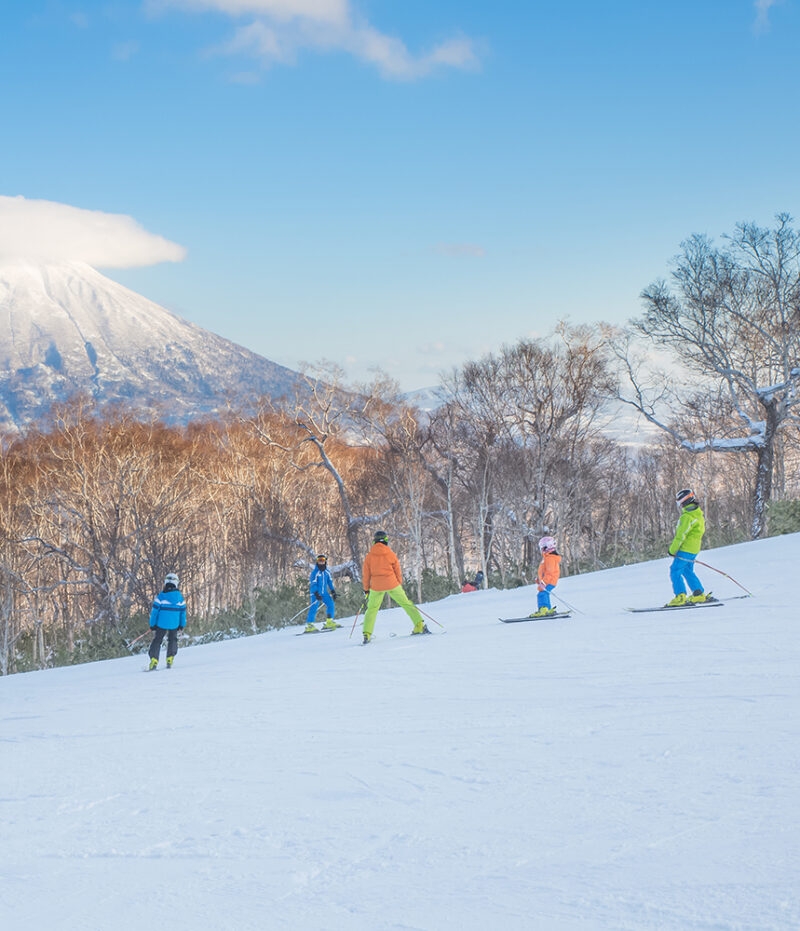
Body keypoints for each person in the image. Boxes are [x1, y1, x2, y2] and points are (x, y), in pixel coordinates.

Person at [361, 530, 427, 644]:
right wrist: (398, 583)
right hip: (392, 583)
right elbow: (397, 569)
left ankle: (367, 633)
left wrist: (366, 589)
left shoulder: (369, 556)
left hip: (376, 586)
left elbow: (366, 575)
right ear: (386, 541)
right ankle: (419, 625)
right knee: (406, 604)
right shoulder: (390, 553)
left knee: (371, 609)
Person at [666, 488, 709, 606]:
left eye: (679, 502)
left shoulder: (687, 517)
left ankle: (680, 596)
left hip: (685, 549)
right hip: (694, 548)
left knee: (675, 570)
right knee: (687, 570)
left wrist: (672, 550)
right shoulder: (698, 514)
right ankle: (698, 593)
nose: (679, 505)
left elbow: (680, 536)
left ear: (684, 502)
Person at [148, 572, 187, 670]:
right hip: (174, 624)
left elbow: (154, 612)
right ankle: (170, 658)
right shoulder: (180, 598)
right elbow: (183, 613)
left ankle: (154, 659)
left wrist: (152, 624)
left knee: (157, 641)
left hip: (161, 623)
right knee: (172, 640)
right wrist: (182, 625)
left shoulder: (161, 596)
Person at [305, 554, 339, 632]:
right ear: (317, 562)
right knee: (314, 607)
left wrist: (333, 591)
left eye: (323, 560)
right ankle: (309, 625)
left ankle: (329, 621)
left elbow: (329, 582)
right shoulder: (315, 572)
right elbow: (313, 583)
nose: (321, 562)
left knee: (330, 604)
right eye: (319, 560)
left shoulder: (327, 572)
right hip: (315, 593)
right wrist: (316, 593)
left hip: (324, 593)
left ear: (325, 561)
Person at [531, 536, 561, 617]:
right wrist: (539, 580)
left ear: (546, 547)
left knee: (542, 594)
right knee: (544, 594)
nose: (541, 550)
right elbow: (545, 572)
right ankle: (547, 609)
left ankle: (544, 610)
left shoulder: (550, 558)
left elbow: (549, 572)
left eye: (542, 548)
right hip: (548, 580)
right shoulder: (547, 558)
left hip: (549, 581)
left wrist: (544, 582)